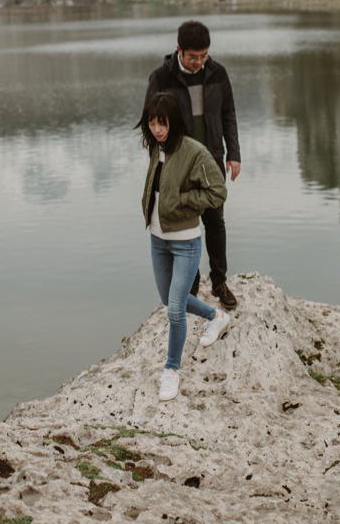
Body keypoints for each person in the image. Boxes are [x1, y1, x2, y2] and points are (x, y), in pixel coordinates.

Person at [138, 91, 231, 401]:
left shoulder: (194, 152)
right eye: (152, 123)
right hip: (157, 239)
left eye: (162, 123)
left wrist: (185, 202)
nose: (157, 129)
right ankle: (217, 317)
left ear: (174, 122)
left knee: (175, 310)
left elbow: (218, 192)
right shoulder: (156, 148)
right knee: (169, 299)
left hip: (185, 241)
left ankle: (172, 370)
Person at [143, 20, 241, 310]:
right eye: (193, 57)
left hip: (210, 159)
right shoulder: (161, 78)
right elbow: (151, 123)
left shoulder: (218, 73)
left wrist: (233, 153)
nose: (199, 62)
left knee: (215, 221)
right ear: (179, 51)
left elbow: (229, 114)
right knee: (186, 226)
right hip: (179, 164)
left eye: (204, 56)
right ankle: (192, 284)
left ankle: (219, 280)